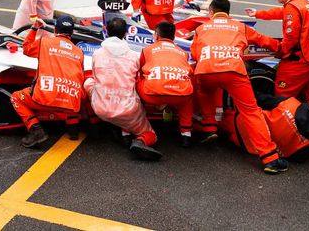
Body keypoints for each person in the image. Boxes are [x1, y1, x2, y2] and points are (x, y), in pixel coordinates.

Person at [191, 0, 289, 174]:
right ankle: (270, 158)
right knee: (251, 112)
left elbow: (196, 54)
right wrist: (282, 48)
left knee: (206, 91)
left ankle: (209, 127)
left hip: (205, 71)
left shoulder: (201, 28)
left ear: (211, 12)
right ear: (228, 13)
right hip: (233, 72)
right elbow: (262, 40)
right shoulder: (239, 26)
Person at [244, 0, 309, 139]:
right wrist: (258, 13)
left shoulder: (293, 8)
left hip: (301, 60)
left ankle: (283, 132)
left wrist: (280, 52)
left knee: (283, 96)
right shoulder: (308, 2)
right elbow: (283, 12)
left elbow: (289, 41)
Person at [84, 17, 161, 160]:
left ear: (106, 31)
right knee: (151, 135)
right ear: (125, 33)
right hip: (128, 110)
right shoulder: (134, 56)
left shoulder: (97, 54)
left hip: (101, 108)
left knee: (88, 82)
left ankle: (95, 123)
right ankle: (138, 140)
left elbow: (96, 77)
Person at [11, 15, 85, 148]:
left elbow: (26, 48)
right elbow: (80, 79)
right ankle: (73, 129)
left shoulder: (44, 42)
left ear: (55, 30)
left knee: (16, 98)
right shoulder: (79, 52)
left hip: (45, 99)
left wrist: (34, 29)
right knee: (73, 93)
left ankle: (35, 130)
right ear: (72, 33)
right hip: (71, 104)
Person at [221, 88, 309, 162]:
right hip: (255, 150)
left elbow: (260, 98)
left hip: (237, 125)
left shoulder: (288, 103)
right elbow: (299, 158)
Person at [138, 21, 194, 147]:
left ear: (156, 35)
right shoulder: (183, 53)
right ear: (173, 37)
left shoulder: (146, 50)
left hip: (152, 94)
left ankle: (136, 124)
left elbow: (141, 71)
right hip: (180, 95)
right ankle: (186, 134)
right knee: (188, 92)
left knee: (136, 82)